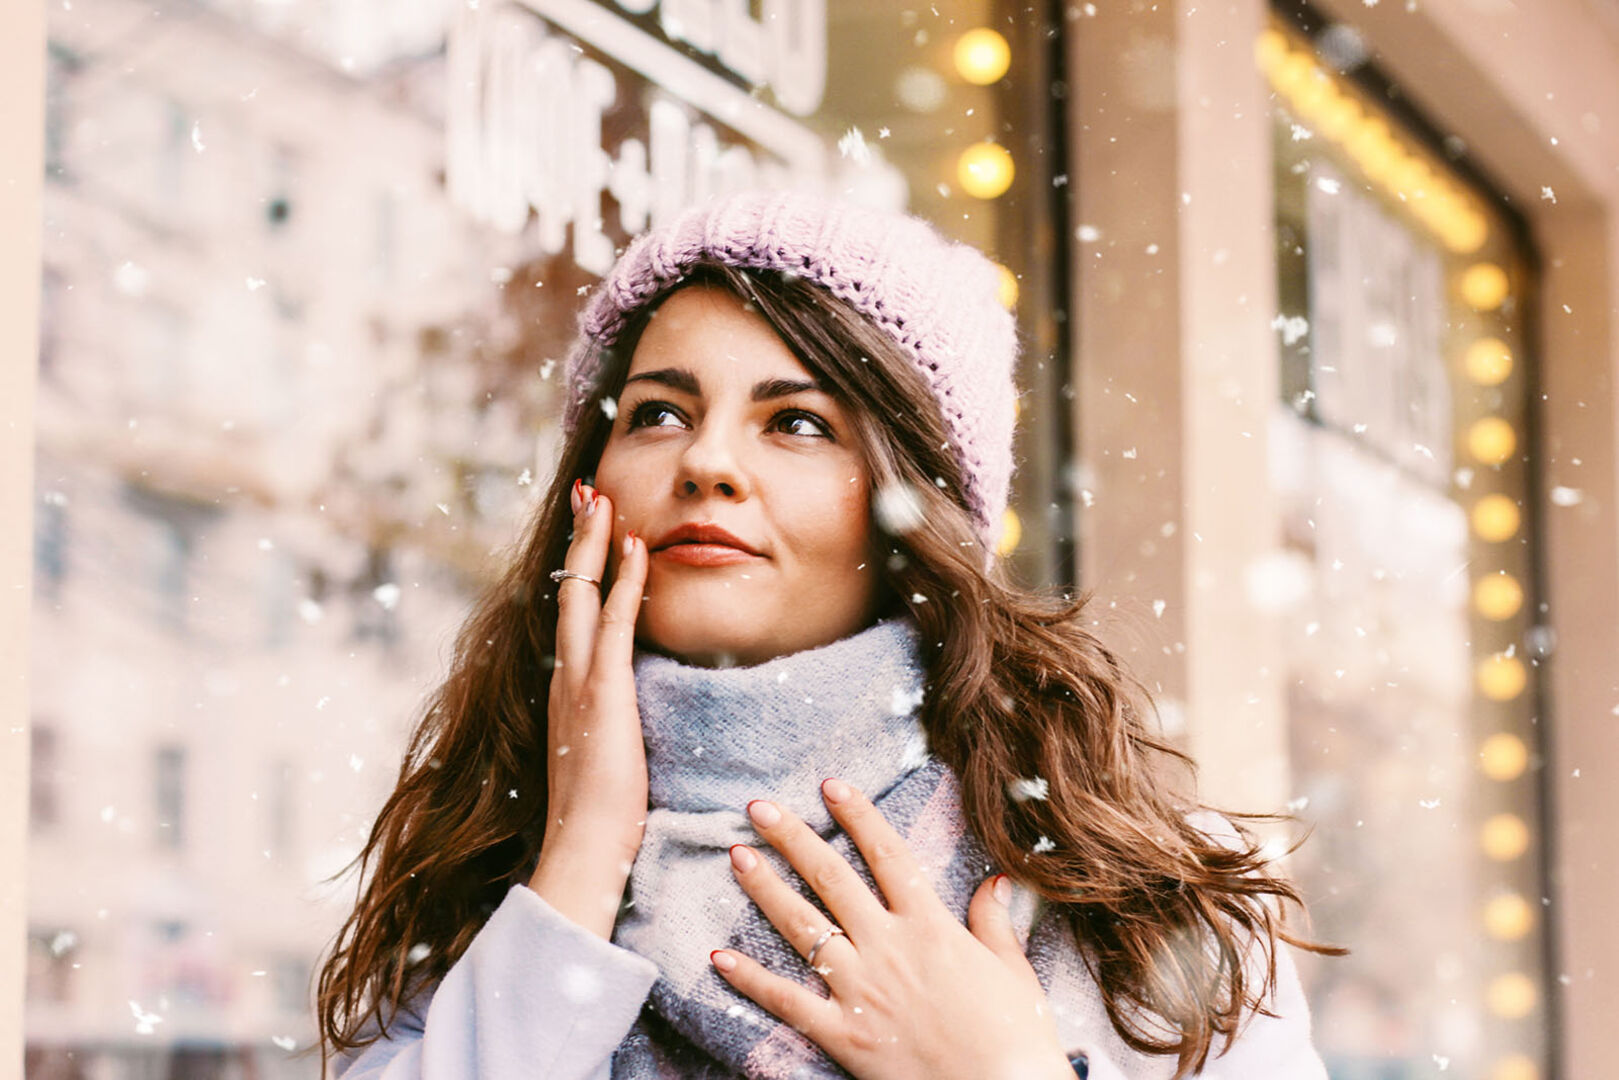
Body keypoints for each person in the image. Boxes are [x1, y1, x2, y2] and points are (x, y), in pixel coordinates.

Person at [314, 188, 1342, 1080]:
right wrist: (582, 857)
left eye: (796, 422)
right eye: (659, 413)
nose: (705, 462)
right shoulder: (486, 865)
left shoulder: (1134, 893)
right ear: (590, 487)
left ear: (908, 506)